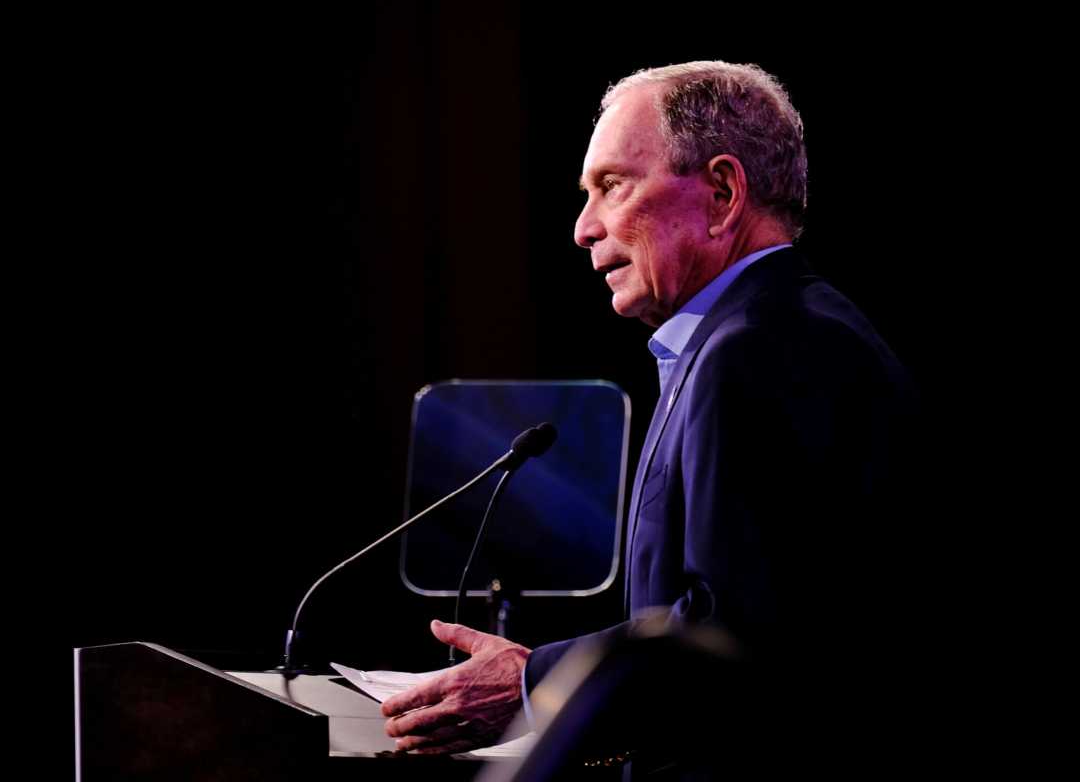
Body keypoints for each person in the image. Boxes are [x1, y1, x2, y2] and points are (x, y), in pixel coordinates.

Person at [381, 61, 919, 762]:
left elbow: (730, 637)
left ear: (722, 192)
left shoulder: (765, 346)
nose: (582, 229)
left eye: (612, 186)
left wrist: (529, 684)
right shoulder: (761, 332)